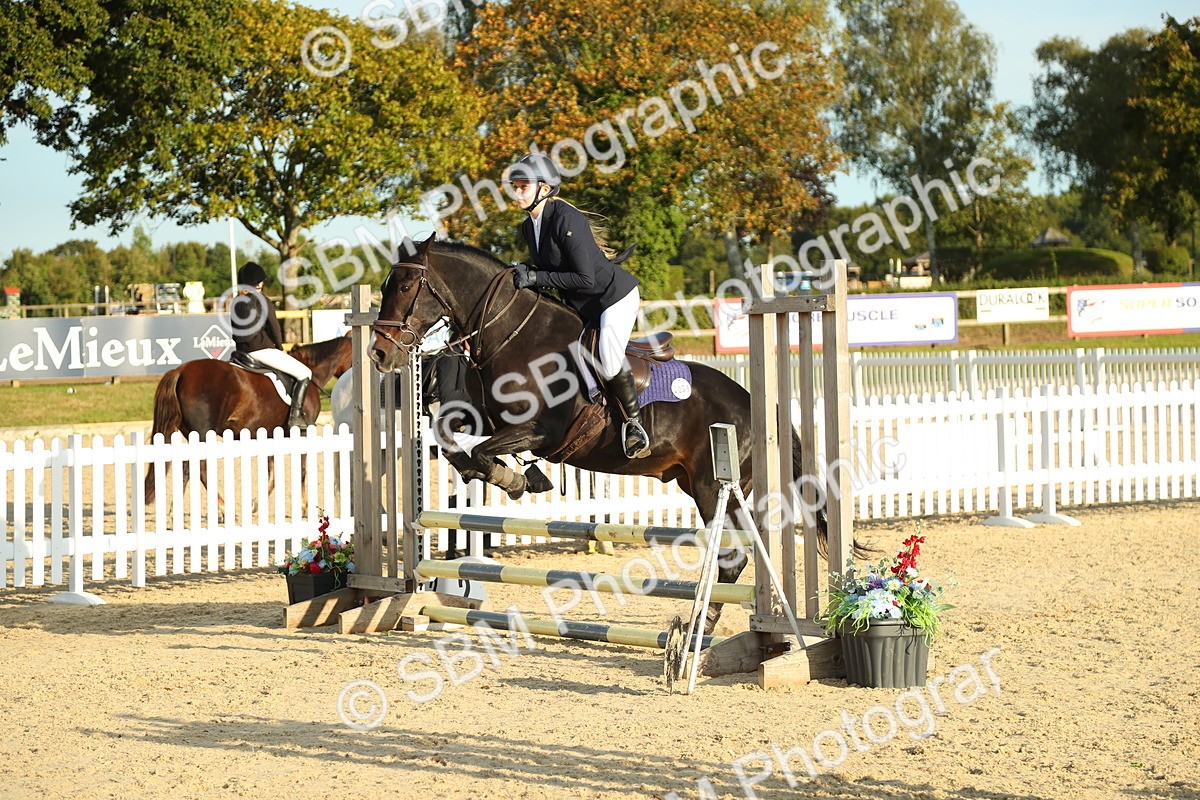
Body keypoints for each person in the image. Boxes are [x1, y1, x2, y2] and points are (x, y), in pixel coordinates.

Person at [505, 153, 650, 459]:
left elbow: (584, 278)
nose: (517, 192)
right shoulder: (529, 227)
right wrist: (526, 272)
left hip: (613, 298)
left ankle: (634, 426)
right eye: (515, 186)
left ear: (545, 188)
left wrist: (536, 277)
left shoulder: (565, 218)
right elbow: (552, 270)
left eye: (523, 186)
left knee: (609, 360)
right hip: (583, 306)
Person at [230, 261, 313, 430]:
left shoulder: (235, 301)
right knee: (305, 373)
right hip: (261, 350)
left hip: (241, 353)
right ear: (259, 283)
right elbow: (274, 327)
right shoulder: (263, 300)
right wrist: (280, 347)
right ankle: (295, 416)